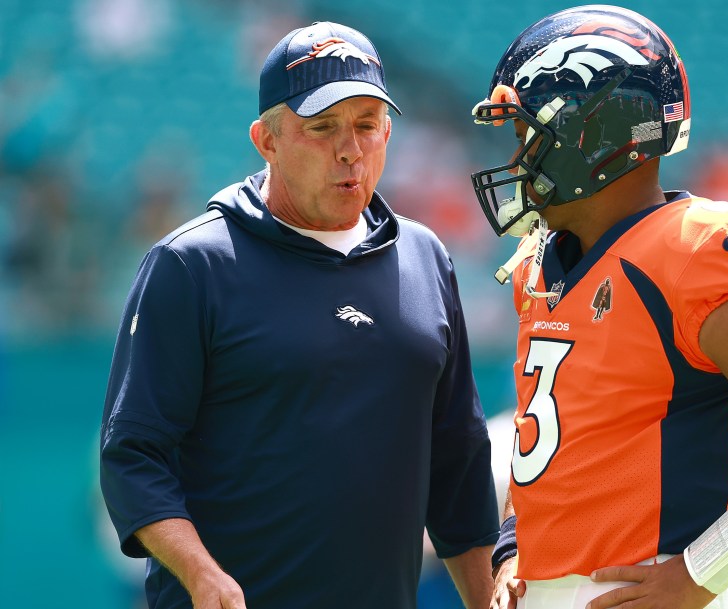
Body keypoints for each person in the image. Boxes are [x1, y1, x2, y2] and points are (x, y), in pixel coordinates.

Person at [468, 6, 728, 609]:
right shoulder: (544, 263)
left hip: (648, 587)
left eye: (529, 136)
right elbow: (546, 447)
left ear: (594, 134)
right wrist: (510, 550)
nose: (517, 162)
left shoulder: (691, 250)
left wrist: (701, 573)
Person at [99, 21, 500, 609]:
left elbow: (458, 464)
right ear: (267, 140)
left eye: (367, 126)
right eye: (323, 128)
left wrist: (486, 600)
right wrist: (201, 575)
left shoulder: (425, 257)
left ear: (389, 131)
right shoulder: (192, 264)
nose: (350, 149)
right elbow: (132, 457)